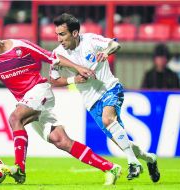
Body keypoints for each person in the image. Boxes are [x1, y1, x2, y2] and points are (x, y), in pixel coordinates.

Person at [0, 21, 122, 185]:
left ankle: (19, 169)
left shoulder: (21, 46)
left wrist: (78, 67)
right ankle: (111, 168)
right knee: (60, 140)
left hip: (39, 91)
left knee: (15, 118)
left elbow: (53, 57)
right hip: (27, 101)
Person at [49, 13, 160, 182]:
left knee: (108, 120)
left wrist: (106, 52)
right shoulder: (57, 54)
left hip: (110, 88)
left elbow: (115, 44)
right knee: (123, 142)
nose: (59, 39)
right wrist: (74, 79)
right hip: (91, 102)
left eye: (62, 34)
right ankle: (150, 159)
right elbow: (54, 80)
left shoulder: (90, 41)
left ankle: (133, 163)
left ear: (75, 33)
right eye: (57, 34)